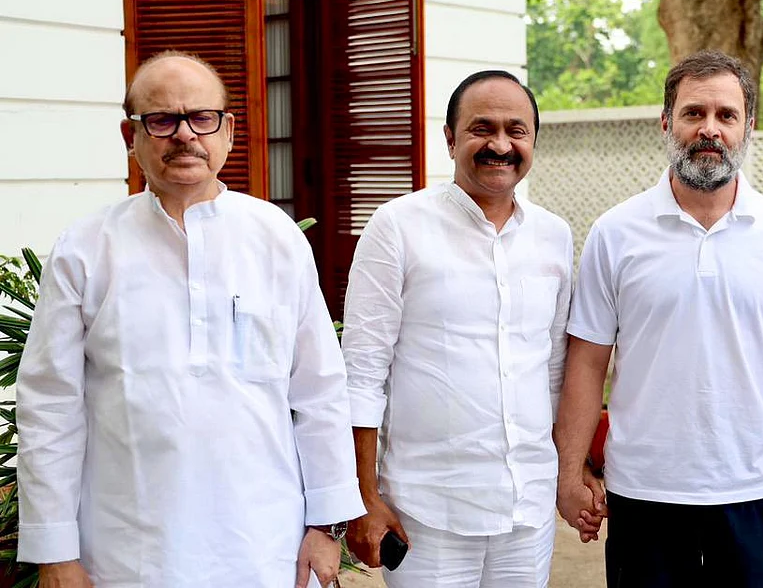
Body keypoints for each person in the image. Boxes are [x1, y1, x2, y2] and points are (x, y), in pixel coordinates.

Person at [16, 51, 365, 588]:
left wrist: (326, 524)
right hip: (128, 550)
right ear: (131, 135)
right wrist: (55, 552)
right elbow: (50, 406)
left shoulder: (276, 238)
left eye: (201, 117)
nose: (184, 135)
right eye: (162, 120)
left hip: (265, 544)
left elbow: (319, 391)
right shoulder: (85, 248)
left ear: (228, 131)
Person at [554, 50, 763, 588]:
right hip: (644, 491)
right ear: (666, 122)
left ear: (748, 127)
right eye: (694, 113)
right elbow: (587, 361)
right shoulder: (615, 233)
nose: (709, 129)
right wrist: (570, 469)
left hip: (756, 489)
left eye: (726, 115)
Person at [340, 70, 574, 588]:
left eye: (516, 130)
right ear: (450, 139)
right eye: (481, 128)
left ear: (533, 141)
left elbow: (556, 370)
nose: (500, 145)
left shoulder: (553, 236)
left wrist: (571, 473)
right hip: (428, 512)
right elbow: (361, 373)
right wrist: (364, 497)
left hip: (527, 506)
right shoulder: (398, 227)